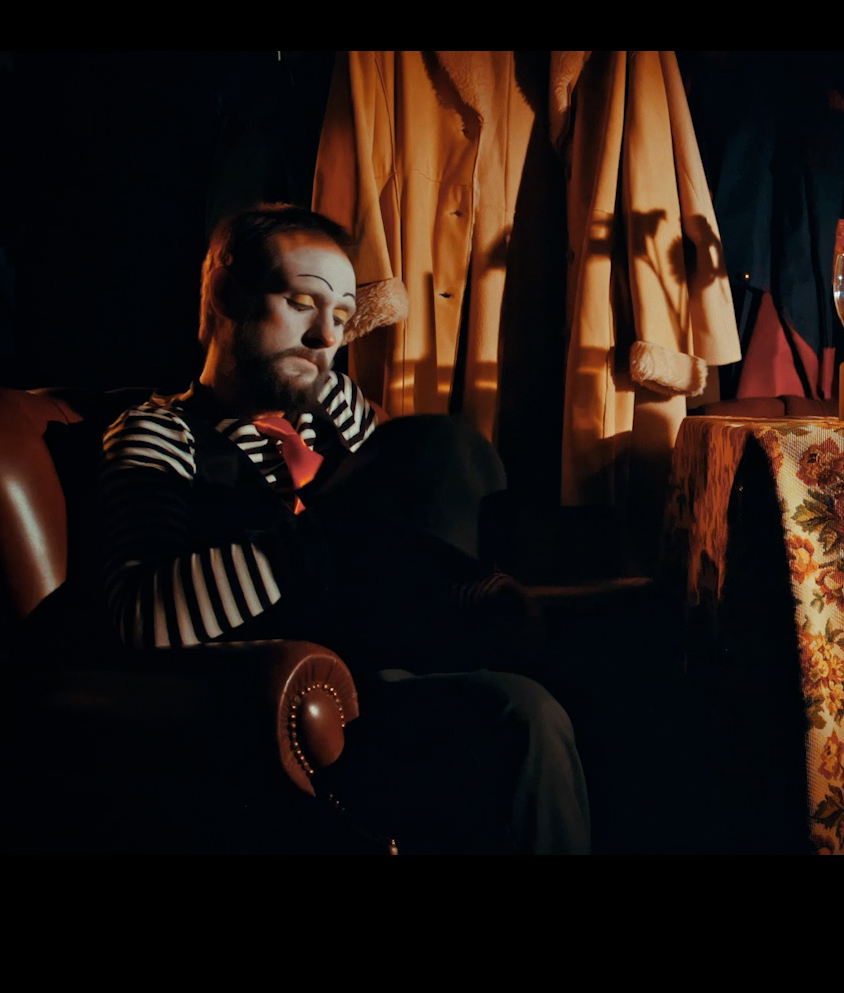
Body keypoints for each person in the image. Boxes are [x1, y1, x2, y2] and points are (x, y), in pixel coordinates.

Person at [95, 203, 590, 854]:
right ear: (225, 294)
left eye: (341, 316)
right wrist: (318, 537)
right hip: (305, 698)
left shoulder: (337, 408)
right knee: (517, 712)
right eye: (302, 303)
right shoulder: (161, 432)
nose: (325, 337)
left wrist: (478, 588)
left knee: (454, 457)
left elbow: (409, 537)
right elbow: (139, 615)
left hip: (403, 648)